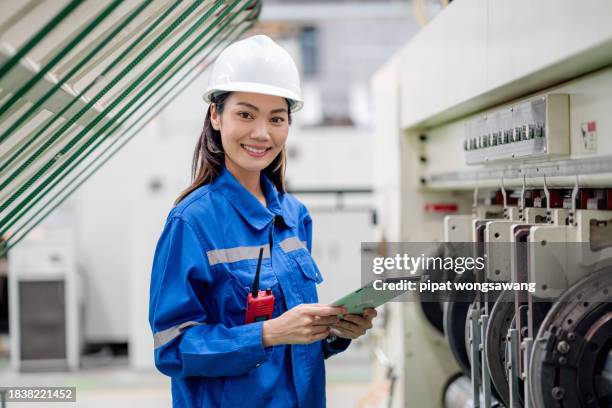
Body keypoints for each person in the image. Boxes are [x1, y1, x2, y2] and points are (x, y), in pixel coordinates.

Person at [148, 34, 377, 408]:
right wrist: (268, 333)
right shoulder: (192, 222)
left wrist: (334, 332)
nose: (261, 133)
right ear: (216, 115)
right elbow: (172, 349)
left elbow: (296, 349)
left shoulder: (293, 215)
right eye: (245, 114)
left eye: (276, 118)